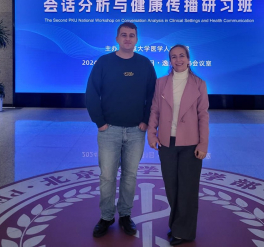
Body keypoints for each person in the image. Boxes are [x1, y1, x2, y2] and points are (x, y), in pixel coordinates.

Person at [86, 22, 157, 238]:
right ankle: (107, 217)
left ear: (137, 39)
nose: (127, 39)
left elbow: (153, 96)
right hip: (109, 131)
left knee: (129, 176)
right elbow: (91, 93)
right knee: (107, 176)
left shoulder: (145, 64)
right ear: (117, 38)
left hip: (136, 131)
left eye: (132, 35)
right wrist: (100, 123)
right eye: (124, 35)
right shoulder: (104, 62)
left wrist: (146, 120)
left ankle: (125, 215)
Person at [148, 44, 209, 246]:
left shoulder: (199, 84)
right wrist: (151, 134)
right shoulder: (161, 83)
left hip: (191, 143)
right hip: (167, 142)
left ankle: (184, 232)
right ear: (170, 60)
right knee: (172, 187)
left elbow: (203, 117)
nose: (178, 60)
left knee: (188, 189)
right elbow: (155, 110)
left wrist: (203, 143)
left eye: (181, 56)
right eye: (173, 57)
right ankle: (176, 226)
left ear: (188, 58)